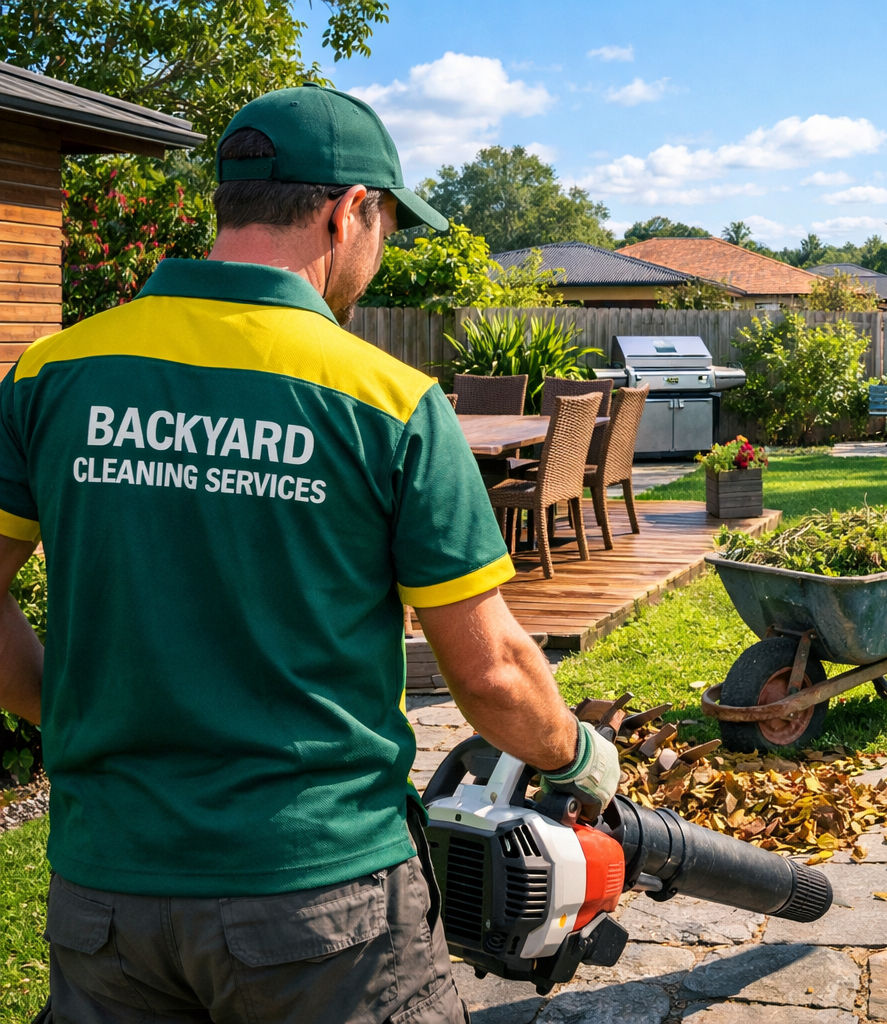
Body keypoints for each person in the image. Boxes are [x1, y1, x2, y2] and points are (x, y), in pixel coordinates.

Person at [0, 84, 618, 1023]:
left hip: (108, 898)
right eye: (383, 231)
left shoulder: (51, 374)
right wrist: (574, 753)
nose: (375, 259)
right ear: (348, 211)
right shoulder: (390, 400)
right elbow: (489, 672)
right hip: (321, 904)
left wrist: (76, 713)